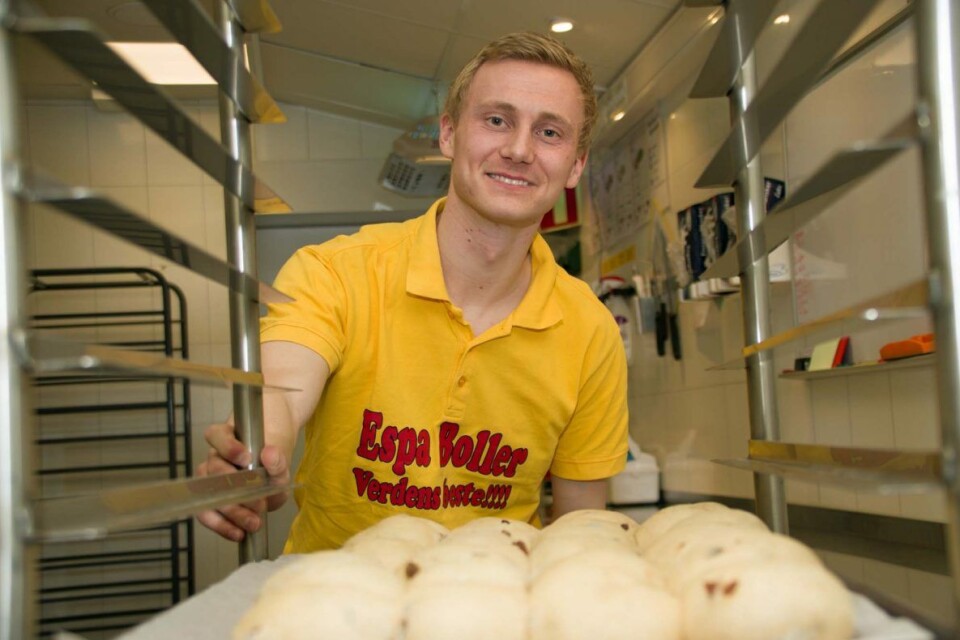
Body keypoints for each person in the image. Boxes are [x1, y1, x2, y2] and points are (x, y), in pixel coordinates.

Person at [197, 31, 629, 552]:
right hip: (339, 605)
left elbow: (582, 533)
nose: (518, 150)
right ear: (449, 134)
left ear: (576, 165)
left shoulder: (590, 329)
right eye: (496, 120)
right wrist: (259, 452)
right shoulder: (336, 272)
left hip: (497, 608)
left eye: (550, 132)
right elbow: (282, 390)